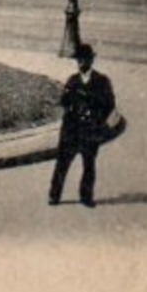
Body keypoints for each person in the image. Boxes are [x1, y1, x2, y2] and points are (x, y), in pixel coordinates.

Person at [48, 42, 117, 209]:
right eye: (79, 60)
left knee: (89, 165)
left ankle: (86, 197)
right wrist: (69, 107)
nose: (81, 63)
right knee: (62, 164)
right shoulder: (72, 81)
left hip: (90, 131)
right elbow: (64, 102)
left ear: (91, 61)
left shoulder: (102, 81)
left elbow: (109, 105)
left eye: (84, 59)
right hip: (71, 130)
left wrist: (97, 120)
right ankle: (54, 196)